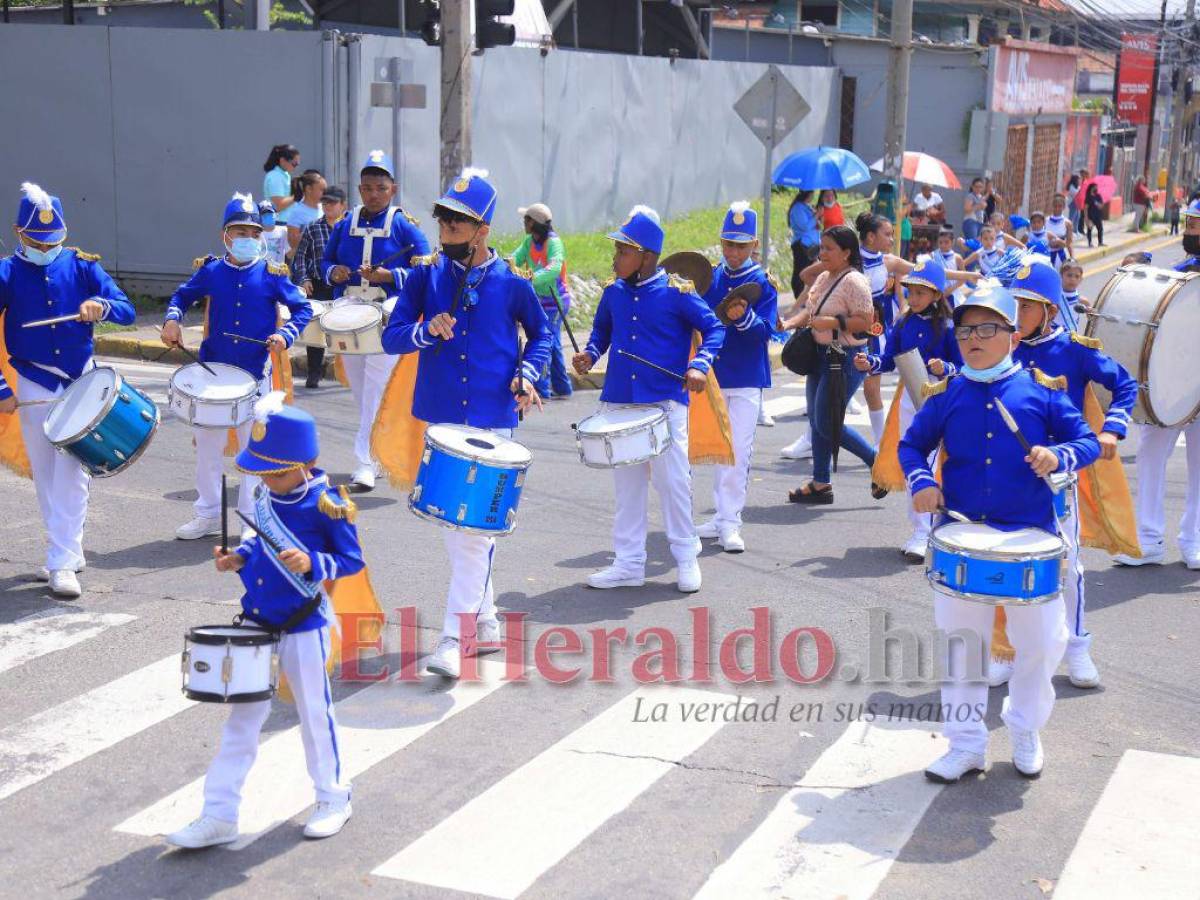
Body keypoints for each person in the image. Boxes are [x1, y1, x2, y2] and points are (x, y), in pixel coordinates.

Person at [900, 283, 1100, 783]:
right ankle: (966, 744)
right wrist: (922, 481)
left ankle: (1025, 726)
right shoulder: (948, 395)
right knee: (962, 645)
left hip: (1029, 536)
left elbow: (1087, 440)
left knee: (1043, 642)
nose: (974, 338)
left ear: (1012, 335)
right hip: (962, 535)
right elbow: (912, 445)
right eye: (966, 329)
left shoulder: (1040, 390)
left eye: (988, 328)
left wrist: (1060, 456)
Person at [165, 399, 360, 848]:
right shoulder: (267, 496)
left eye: (276, 472)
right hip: (258, 623)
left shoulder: (327, 505)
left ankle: (333, 797)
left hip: (304, 623)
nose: (268, 480)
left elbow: (350, 561)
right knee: (241, 723)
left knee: (315, 714)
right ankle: (219, 814)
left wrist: (312, 560)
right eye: (263, 473)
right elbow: (259, 543)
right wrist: (237, 558)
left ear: (305, 464)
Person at [382, 168, 552, 679]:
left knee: (472, 532)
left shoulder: (511, 284)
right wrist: (424, 332)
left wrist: (526, 374)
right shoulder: (425, 276)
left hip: (494, 421)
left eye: (458, 225)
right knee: (462, 530)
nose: (447, 232)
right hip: (441, 419)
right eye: (444, 222)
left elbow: (541, 337)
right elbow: (392, 338)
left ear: (483, 231)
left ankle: (456, 638)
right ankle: (489, 618)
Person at [573, 206, 724, 592]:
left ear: (647, 256)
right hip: (621, 402)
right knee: (628, 488)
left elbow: (714, 328)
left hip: (665, 403)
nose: (615, 258)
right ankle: (628, 563)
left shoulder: (677, 293)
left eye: (623, 251)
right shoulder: (612, 293)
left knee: (673, 483)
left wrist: (700, 365)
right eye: (618, 250)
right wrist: (589, 354)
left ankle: (687, 556)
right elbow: (601, 332)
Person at [0, 183, 135, 598]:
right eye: (39, 241)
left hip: (81, 380)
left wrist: (102, 306)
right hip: (35, 378)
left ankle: (61, 561)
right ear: (20, 233)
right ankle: (66, 550)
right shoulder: (6, 272)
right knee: (45, 473)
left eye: (54, 240)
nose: (47, 247)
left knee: (73, 471)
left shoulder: (81, 266)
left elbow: (126, 309)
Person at [1010, 259, 1137, 689]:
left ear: (1048, 309)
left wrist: (1112, 430)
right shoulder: (1003, 348)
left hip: (1061, 472)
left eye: (1027, 306)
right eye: (1016, 304)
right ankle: (1006, 650)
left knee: (1068, 564)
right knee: (1007, 562)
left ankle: (1078, 647)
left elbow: (1125, 385)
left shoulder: (1075, 349)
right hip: (1011, 474)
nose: (1018, 314)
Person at [161, 193, 311, 539]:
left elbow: (302, 309)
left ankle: (251, 520)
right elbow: (181, 296)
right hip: (212, 374)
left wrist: (285, 334)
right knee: (207, 448)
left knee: (252, 451)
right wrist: (172, 319)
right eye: (239, 232)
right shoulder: (211, 271)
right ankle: (208, 513)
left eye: (253, 233)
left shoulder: (272, 274)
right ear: (225, 236)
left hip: (255, 374)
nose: (247, 239)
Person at [321, 150, 431, 491]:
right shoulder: (344, 225)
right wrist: (333, 272)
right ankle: (379, 448)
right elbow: (326, 262)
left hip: (386, 316)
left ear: (392, 189)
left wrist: (391, 275)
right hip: (349, 314)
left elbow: (425, 266)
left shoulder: (403, 224)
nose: (373, 194)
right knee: (363, 389)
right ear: (359, 189)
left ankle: (365, 462)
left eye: (380, 188)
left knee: (375, 387)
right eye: (367, 187)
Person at [1112, 199, 1200, 569]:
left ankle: (1192, 540)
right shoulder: (1182, 274)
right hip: (1175, 382)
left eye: (1195, 225)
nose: (1189, 231)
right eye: (1189, 222)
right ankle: (1148, 539)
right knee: (1150, 451)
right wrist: (1139, 271)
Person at [855, 256, 959, 559]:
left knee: (937, 464)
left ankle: (936, 526)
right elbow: (888, 360)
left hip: (942, 401)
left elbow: (965, 367)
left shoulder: (950, 328)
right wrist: (870, 362)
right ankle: (920, 529)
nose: (912, 298)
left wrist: (946, 366)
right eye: (910, 292)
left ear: (937, 295)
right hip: (910, 400)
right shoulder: (903, 323)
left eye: (920, 293)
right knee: (915, 463)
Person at [696, 201, 779, 553]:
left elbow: (768, 333)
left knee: (738, 453)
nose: (733, 251)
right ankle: (720, 515)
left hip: (745, 377)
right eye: (729, 244)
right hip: (712, 376)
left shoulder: (762, 282)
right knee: (716, 452)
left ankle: (731, 522)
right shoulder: (710, 277)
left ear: (754, 246)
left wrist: (743, 317)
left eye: (741, 245)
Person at [779, 225, 881, 504]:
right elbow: (810, 312)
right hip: (818, 355)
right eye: (821, 247)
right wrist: (788, 323)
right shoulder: (825, 277)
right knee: (816, 420)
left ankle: (877, 462)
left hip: (845, 357)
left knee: (827, 422)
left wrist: (834, 323)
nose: (822, 253)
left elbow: (866, 321)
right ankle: (821, 482)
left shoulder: (855, 281)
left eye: (829, 248)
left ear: (847, 253)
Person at [511, 202, 573, 401]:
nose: (524, 223)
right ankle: (563, 388)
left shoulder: (554, 243)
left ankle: (544, 389)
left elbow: (554, 268)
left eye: (526, 219)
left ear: (534, 223)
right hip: (538, 300)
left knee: (547, 342)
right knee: (552, 342)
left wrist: (531, 278)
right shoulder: (529, 242)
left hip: (556, 301)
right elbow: (516, 258)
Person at [291, 185, 348, 389]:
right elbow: (299, 259)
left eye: (332, 203)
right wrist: (304, 279)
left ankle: (346, 374)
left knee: (347, 329)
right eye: (324, 202)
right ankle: (314, 373)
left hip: (345, 286)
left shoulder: (351, 228)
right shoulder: (313, 228)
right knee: (315, 331)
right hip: (319, 285)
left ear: (343, 205)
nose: (327, 206)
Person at [787, 190, 821, 297]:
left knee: (811, 272)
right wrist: (816, 216)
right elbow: (804, 226)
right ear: (808, 194)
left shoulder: (807, 207)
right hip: (802, 244)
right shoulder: (798, 208)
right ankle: (798, 294)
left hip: (812, 245)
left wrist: (817, 216)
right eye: (812, 194)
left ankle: (808, 296)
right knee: (801, 271)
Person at [287, 170, 326, 252]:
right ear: (308, 189)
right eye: (322, 190)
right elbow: (292, 243)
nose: (325, 193)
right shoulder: (296, 212)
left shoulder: (325, 209)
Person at [262, 144, 301, 224]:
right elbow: (277, 206)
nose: (295, 167)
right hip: (279, 223)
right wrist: (296, 196)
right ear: (282, 160)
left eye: (297, 164)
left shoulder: (284, 175)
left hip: (287, 222)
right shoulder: (275, 176)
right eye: (294, 164)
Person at [1044, 193, 1075, 270]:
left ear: (1064, 207)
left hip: (1060, 256)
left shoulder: (1067, 223)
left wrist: (1072, 258)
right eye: (1055, 206)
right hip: (1046, 255)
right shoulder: (1045, 221)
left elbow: (1069, 243)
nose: (1057, 208)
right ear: (1052, 206)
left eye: (1060, 206)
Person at [1058, 259, 1088, 330]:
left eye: (1077, 276)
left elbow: (1092, 321)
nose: (1073, 279)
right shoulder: (1053, 298)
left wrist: (1090, 312)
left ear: (1081, 279)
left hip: (1072, 338)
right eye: (1069, 275)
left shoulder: (1083, 301)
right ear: (1061, 276)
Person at [258, 201, 290, 267]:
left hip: (278, 271)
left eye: (270, 214)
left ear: (276, 215)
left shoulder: (284, 231)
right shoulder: (255, 232)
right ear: (259, 217)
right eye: (264, 214)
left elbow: (289, 254)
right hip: (260, 271)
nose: (267, 216)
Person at [963, 178, 987, 243]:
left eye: (980, 187)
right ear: (972, 187)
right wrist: (979, 206)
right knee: (972, 244)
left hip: (980, 222)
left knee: (978, 244)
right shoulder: (970, 196)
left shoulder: (981, 197)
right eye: (976, 187)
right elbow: (967, 209)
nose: (978, 189)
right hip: (971, 222)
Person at [1084, 183, 1105, 247]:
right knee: (1090, 229)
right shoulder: (1088, 197)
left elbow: (1102, 205)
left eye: (1097, 187)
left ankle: (1100, 242)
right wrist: (1086, 218)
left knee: (1100, 229)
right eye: (1095, 187)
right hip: (1091, 216)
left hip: (1098, 215)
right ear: (1092, 188)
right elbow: (1086, 208)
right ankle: (1090, 243)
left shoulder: (1098, 196)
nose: (1096, 189)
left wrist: (1100, 205)